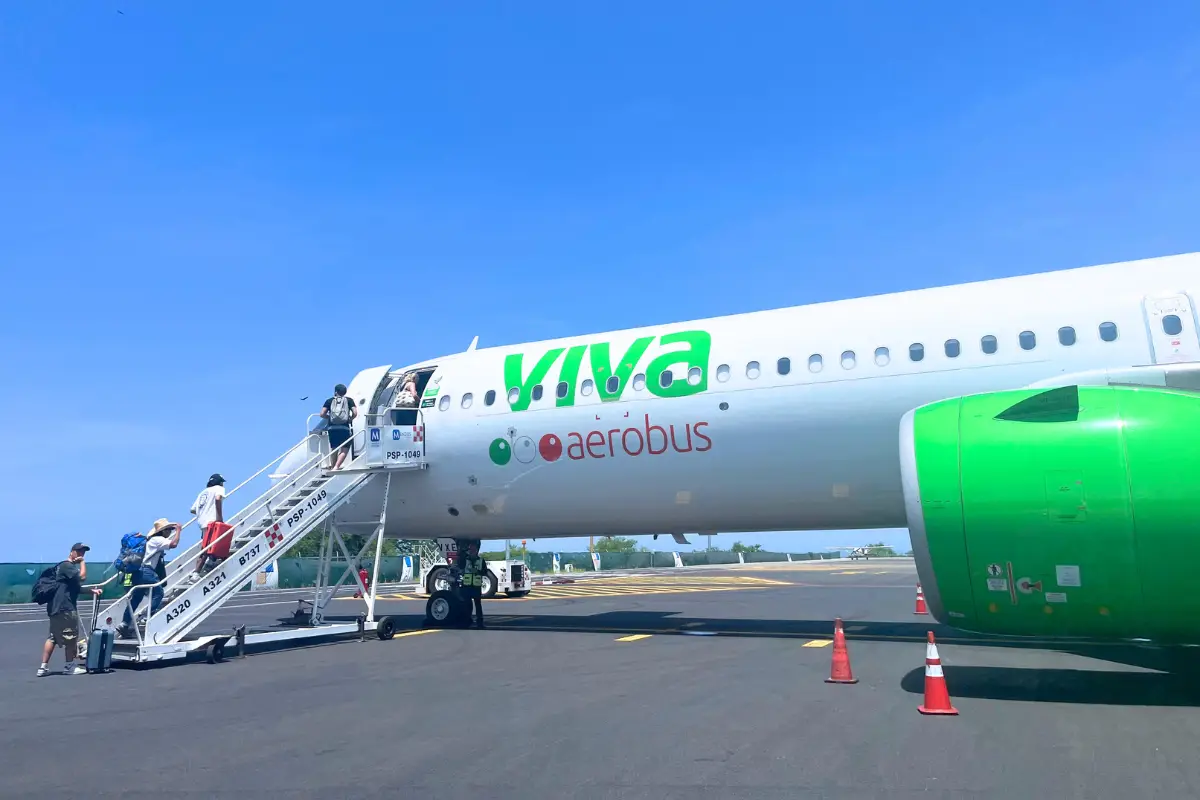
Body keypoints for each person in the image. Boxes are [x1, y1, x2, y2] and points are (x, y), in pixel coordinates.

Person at [38, 543, 99, 676]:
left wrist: (91, 591)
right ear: (72, 552)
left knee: (53, 637)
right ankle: (69, 666)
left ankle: (43, 667)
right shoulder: (67, 566)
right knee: (71, 636)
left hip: (55, 607)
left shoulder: (61, 568)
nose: (81, 554)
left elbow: (74, 588)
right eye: (79, 552)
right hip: (65, 608)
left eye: (83, 553)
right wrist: (83, 563)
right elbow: (82, 578)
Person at [120, 519, 180, 638]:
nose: (170, 532)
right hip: (147, 570)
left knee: (136, 598)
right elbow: (173, 544)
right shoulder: (158, 540)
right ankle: (146, 617)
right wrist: (179, 530)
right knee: (158, 593)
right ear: (162, 531)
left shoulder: (149, 541)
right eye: (169, 529)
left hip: (138, 571)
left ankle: (124, 623)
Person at [190, 474, 230, 580]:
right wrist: (219, 517)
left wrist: (203, 513)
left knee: (210, 545)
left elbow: (193, 509)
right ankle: (196, 573)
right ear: (220, 482)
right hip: (212, 521)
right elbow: (218, 498)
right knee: (208, 547)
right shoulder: (219, 488)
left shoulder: (203, 492)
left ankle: (210, 563)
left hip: (202, 522)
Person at [321, 384, 357, 470]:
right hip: (344, 427)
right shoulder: (349, 400)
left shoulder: (329, 401)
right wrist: (349, 419)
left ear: (335, 392)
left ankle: (333, 467)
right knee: (345, 448)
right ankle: (337, 466)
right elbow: (355, 413)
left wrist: (329, 418)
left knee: (334, 447)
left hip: (332, 428)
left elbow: (322, 414)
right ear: (345, 392)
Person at [455, 540, 487, 629]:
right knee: (467, 606)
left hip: (476, 586)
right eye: (471, 549)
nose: (472, 551)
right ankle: (466, 622)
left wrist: (477, 571)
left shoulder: (481, 560)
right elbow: (460, 565)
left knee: (478, 606)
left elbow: (485, 572)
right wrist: (461, 553)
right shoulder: (465, 560)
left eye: (473, 549)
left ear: (477, 550)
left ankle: (480, 623)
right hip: (467, 586)